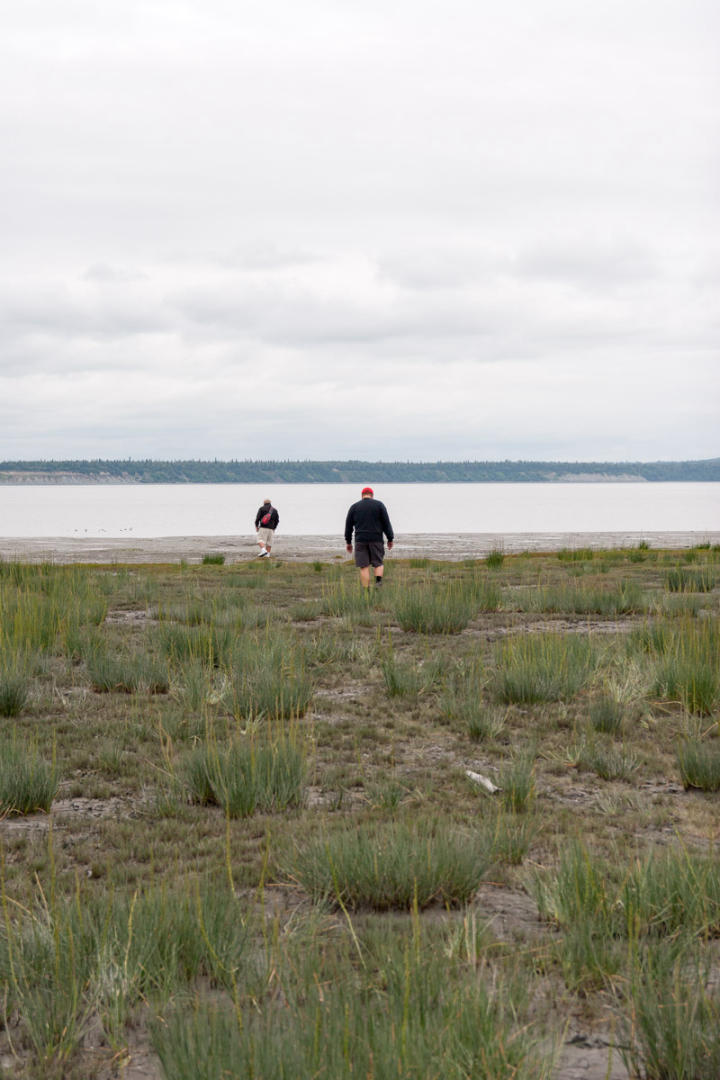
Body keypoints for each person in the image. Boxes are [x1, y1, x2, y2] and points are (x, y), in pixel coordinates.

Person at [345, 486, 394, 587]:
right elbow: (386, 523)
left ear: (362, 496)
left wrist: (348, 542)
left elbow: (348, 526)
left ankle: (366, 591)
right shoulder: (379, 505)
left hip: (360, 540)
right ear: (372, 495)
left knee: (364, 566)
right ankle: (378, 583)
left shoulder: (354, 507)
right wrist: (390, 538)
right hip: (376, 539)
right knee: (378, 563)